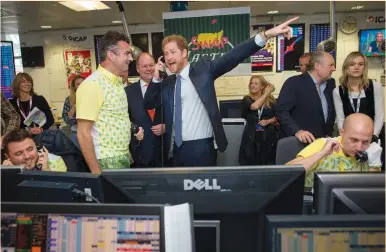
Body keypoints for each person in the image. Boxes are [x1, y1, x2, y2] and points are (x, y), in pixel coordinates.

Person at [144, 17, 299, 167]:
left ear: (184, 53)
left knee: (205, 192)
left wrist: (266, 35)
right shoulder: (167, 83)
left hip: (201, 148)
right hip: (175, 150)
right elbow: (149, 103)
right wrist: (156, 79)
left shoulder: (203, 70)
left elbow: (234, 56)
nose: (168, 57)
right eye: (166, 53)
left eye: (173, 52)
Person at [76, 30, 134, 174]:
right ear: (111, 55)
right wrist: (96, 173)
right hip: (106, 160)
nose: (131, 58)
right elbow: (83, 133)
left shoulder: (117, 82)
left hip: (121, 156)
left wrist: (126, 152)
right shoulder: (93, 84)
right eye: (126, 53)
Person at [286, 113, 382, 187]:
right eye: (354, 140)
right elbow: (286, 174)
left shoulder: (371, 152)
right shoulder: (323, 144)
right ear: (342, 132)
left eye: (365, 142)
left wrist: (374, 164)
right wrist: (322, 153)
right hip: (312, 203)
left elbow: (371, 193)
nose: (359, 147)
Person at [275, 51, 336, 144]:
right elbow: (281, 111)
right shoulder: (294, 83)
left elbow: (329, 112)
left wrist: (328, 132)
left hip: (323, 143)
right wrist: (297, 131)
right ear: (318, 66)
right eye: (331, 65)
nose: (334, 69)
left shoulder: (330, 84)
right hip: (300, 144)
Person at [125, 52, 166, 167]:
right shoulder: (128, 92)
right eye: (144, 66)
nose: (149, 69)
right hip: (140, 153)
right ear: (138, 69)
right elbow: (125, 120)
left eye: (151, 65)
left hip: (164, 153)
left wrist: (166, 126)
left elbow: (175, 113)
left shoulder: (166, 87)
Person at [333, 51, 384, 138]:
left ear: (365, 67)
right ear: (346, 67)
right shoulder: (338, 91)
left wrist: (374, 136)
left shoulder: (375, 86)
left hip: (372, 136)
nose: (356, 67)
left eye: (361, 64)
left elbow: (379, 116)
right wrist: (344, 137)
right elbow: (340, 119)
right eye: (352, 64)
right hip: (350, 138)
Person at [238, 75, 279, 165]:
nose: (253, 85)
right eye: (251, 83)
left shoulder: (270, 100)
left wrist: (268, 121)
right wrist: (266, 94)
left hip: (267, 135)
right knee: (250, 161)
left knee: (267, 161)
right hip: (251, 135)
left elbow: (278, 116)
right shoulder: (247, 99)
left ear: (262, 86)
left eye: (256, 84)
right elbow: (255, 106)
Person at [2, 129, 67, 172]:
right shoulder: (3, 171)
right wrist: (8, 176)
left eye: (30, 149)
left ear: (36, 147)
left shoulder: (55, 161)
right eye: (19, 153)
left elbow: (63, 192)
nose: (27, 156)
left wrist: (46, 171)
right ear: (8, 156)